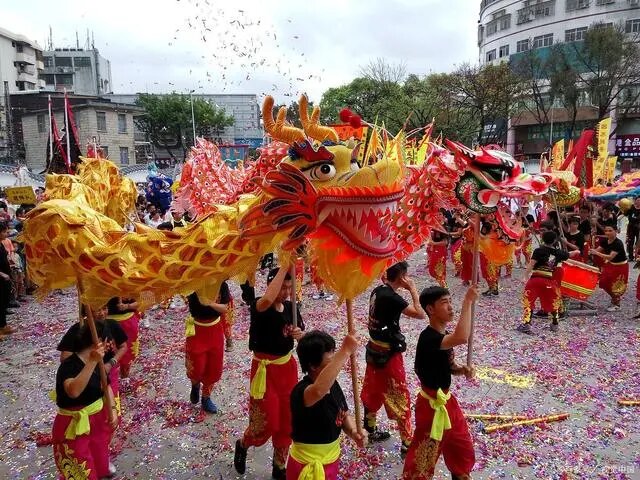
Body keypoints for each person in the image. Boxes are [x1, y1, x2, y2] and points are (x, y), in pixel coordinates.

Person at [234, 266, 305, 480]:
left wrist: (299, 334)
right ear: (271, 286)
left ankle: (279, 465)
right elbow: (267, 300)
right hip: (265, 372)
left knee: (287, 421)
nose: (285, 292)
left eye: (289, 288)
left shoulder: (292, 307)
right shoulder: (259, 305)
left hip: (287, 369)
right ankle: (243, 443)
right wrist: (286, 263)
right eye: (282, 287)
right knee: (265, 422)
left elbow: (302, 333)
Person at [402, 285, 478, 480]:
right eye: (445, 303)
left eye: (451, 302)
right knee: (423, 456)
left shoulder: (442, 338)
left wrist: (462, 369)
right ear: (430, 309)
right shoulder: (428, 338)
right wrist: (467, 302)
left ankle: (460, 474)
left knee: (461, 444)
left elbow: (449, 364)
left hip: (447, 401)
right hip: (431, 406)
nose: (451, 308)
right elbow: (462, 337)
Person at [361, 261, 426, 455]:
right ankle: (407, 441)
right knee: (399, 395)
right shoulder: (392, 297)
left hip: (374, 350)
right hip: (389, 355)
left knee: (372, 390)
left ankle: (370, 428)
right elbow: (420, 314)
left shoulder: (378, 291)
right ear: (401, 277)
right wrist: (413, 290)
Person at [286, 331, 365, 479]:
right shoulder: (301, 391)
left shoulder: (333, 385)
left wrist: (353, 431)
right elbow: (317, 391)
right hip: (306, 465)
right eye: (331, 359)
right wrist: (345, 351)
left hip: (330, 461)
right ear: (313, 366)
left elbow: (343, 414)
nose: (336, 361)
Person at [52, 322, 119, 480]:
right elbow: (73, 391)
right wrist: (92, 362)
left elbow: (106, 386)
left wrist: (113, 410)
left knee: (100, 467)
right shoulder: (69, 366)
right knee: (82, 473)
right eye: (109, 342)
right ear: (100, 342)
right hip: (74, 426)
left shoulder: (99, 363)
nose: (111, 346)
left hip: (97, 422)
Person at [185, 281, 231, 413]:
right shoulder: (191, 283)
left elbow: (225, 308)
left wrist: (209, 303)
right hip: (197, 330)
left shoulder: (222, 284)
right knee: (196, 366)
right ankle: (195, 385)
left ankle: (206, 397)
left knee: (213, 368)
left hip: (215, 330)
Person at [517, 231, 569, 334]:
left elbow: (531, 264)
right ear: (554, 240)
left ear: (542, 238)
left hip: (536, 279)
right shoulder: (559, 253)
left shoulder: (538, 250)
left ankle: (526, 323)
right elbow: (569, 254)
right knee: (553, 302)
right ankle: (555, 324)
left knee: (529, 301)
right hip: (549, 281)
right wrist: (566, 244)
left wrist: (525, 276)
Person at [590, 225, 628, 311]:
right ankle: (614, 298)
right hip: (611, 264)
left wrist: (596, 253)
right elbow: (596, 250)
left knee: (616, 285)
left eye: (610, 231)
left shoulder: (618, 243)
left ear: (616, 231)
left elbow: (610, 257)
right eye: (606, 231)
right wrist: (590, 249)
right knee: (603, 282)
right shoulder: (604, 241)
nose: (607, 233)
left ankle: (617, 304)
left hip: (620, 266)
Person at [0, 221, 15, 338]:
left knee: (4, 301)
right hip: (1, 277)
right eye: (4, 231)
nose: (7, 233)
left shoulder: (1, 244)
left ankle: (3, 325)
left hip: (5, 276)